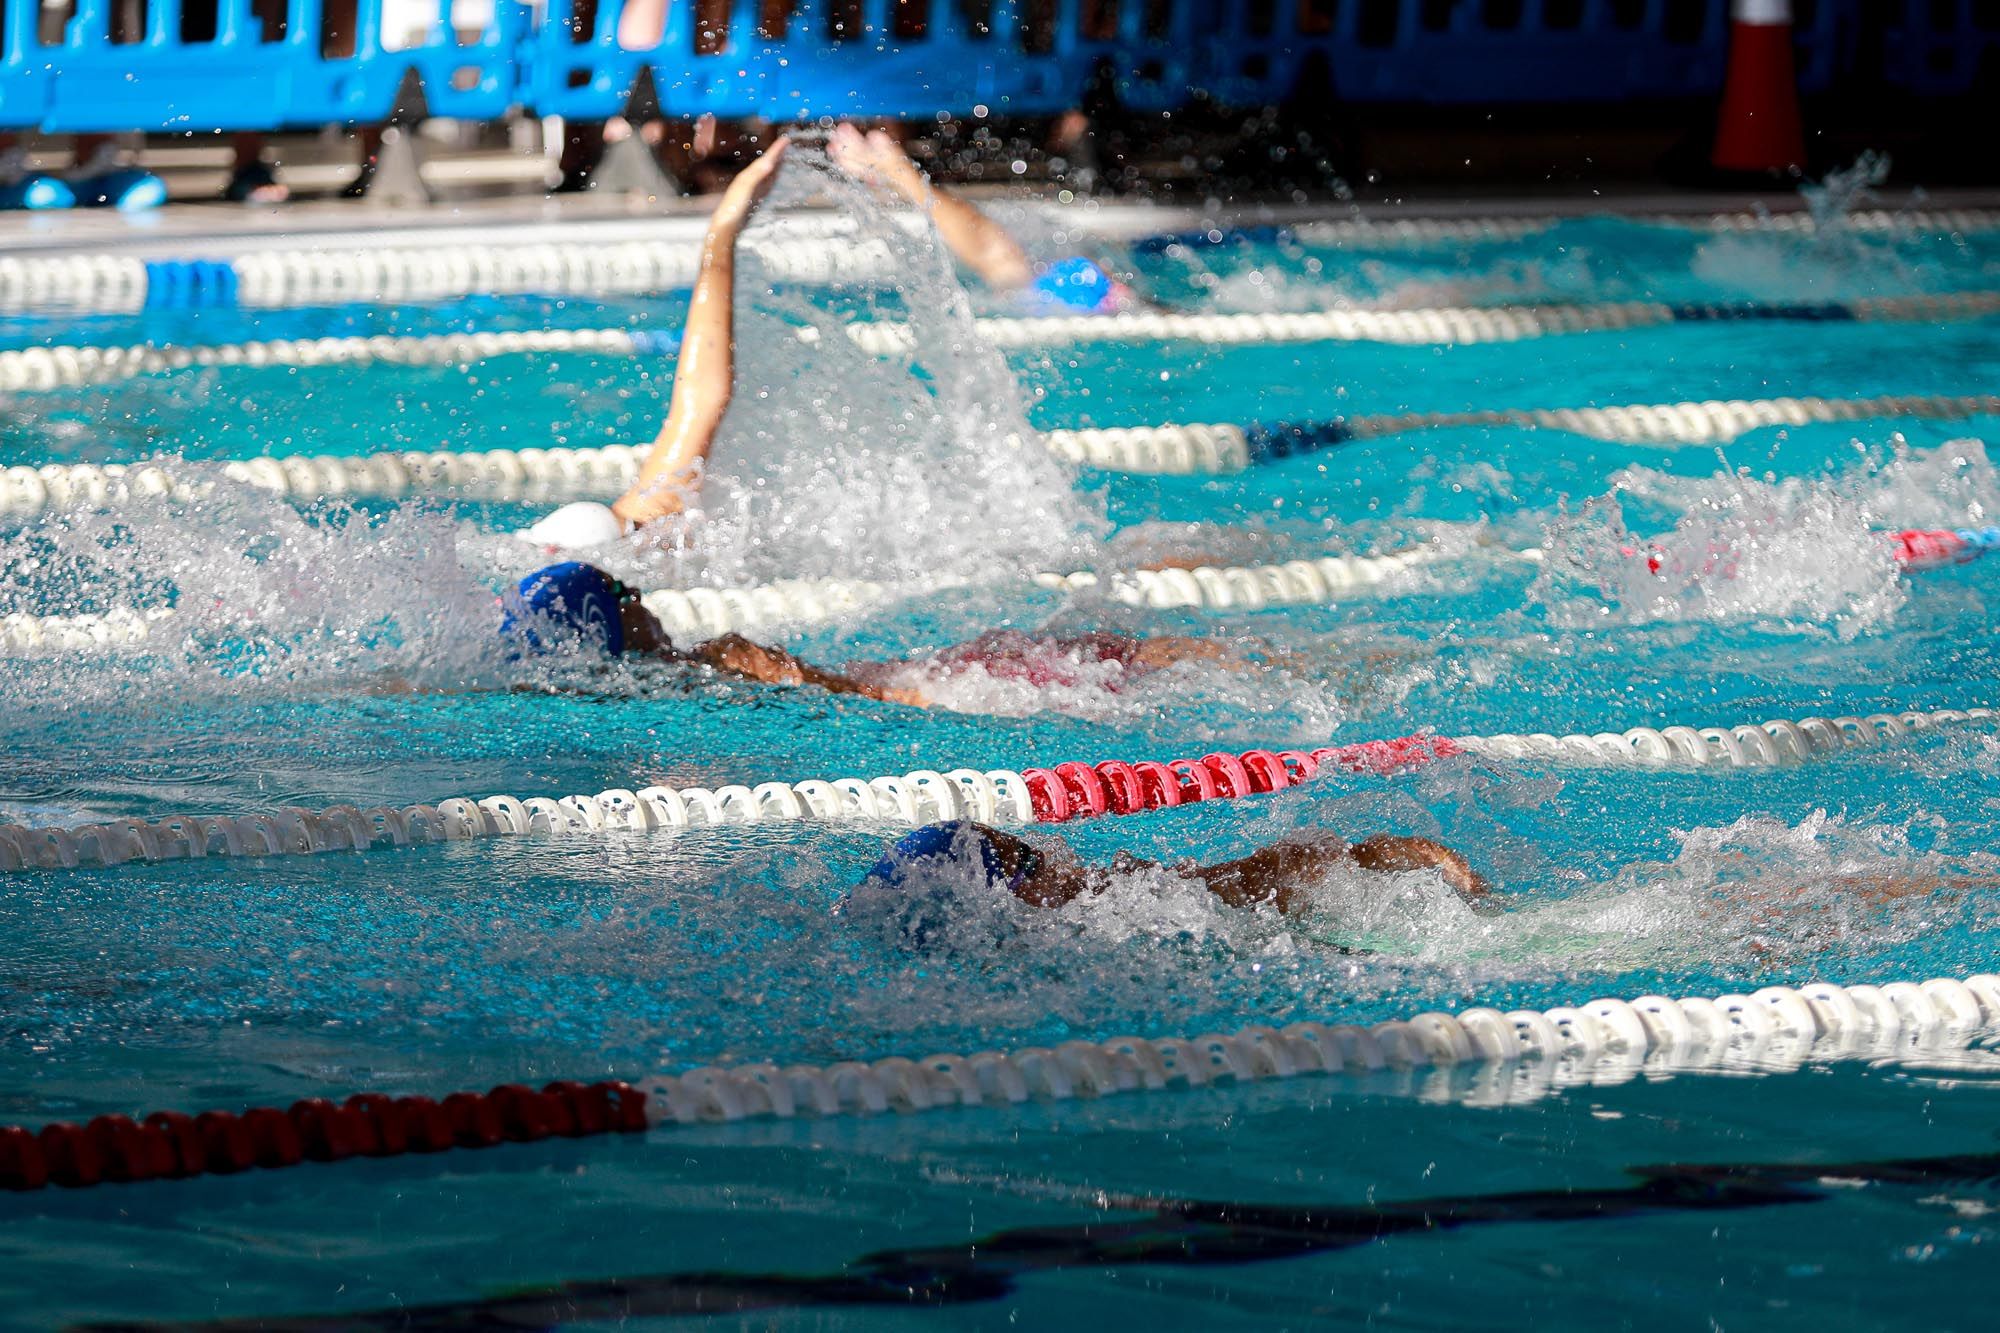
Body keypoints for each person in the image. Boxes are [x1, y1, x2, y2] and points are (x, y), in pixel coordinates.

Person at [503, 561, 1270, 709]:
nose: (638, 591)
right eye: (617, 589)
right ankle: (1284, 663)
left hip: (911, 684)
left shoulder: (657, 695)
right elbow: (844, 697)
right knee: (1121, 654)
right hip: (928, 691)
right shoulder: (725, 656)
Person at [853, 819, 1492, 921]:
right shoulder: (1138, 900)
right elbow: (1297, 863)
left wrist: (1434, 857)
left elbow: (1305, 859)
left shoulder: (1124, 894)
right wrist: (1431, 856)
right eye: (1026, 857)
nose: (1049, 851)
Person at [826, 121, 1141, 314]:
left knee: (1009, 265)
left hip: (1079, 301)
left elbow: (994, 252)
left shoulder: (1078, 292)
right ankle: (896, 171)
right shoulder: (1088, 291)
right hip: (1096, 304)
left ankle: (896, 171)